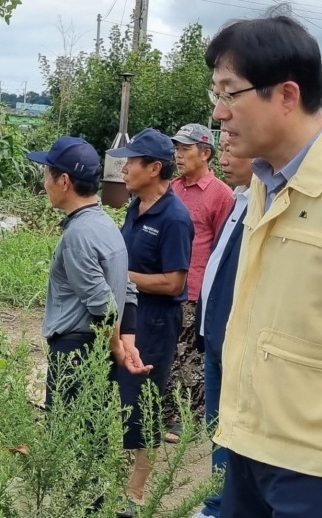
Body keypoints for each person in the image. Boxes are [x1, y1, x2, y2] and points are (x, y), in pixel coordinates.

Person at [206, 16, 322, 517]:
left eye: (230, 93)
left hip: (309, 466)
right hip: (247, 442)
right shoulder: (263, 182)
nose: (218, 112)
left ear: (288, 95)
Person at [106, 128, 194, 515]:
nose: (123, 169)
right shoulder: (134, 206)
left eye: (131, 162)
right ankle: (116, 482)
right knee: (120, 399)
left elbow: (175, 281)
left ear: (154, 168)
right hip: (129, 316)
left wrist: (121, 275)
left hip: (156, 322)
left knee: (142, 404)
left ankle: (136, 494)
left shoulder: (174, 218)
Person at [28, 136, 151, 410]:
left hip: (77, 351)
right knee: (90, 439)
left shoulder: (79, 234)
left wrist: (118, 348)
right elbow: (127, 288)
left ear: (64, 181)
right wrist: (125, 341)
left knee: (69, 442)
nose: (44, 183)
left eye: (47, 174)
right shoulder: (105, 223)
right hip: (97, 348)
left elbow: (104, 306)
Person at [189, 132, 252, 518]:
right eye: (223, 147)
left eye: (233, 148)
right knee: (217, 429)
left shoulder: (255, 206)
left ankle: (220, 506)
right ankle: (217, 502)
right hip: (214, 338)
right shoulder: (238, 202)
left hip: (232, 341)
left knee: (232, 431)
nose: (225, 155)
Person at [164, 124, 234, 443]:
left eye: (185, 149)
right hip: (166, 285)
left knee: (190, 357)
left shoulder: (221, 194)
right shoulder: (171, 188)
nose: (178, 155)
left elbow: (224, 246)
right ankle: (165, 413)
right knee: (166, 352)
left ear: (205, 153)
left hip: (195, 290)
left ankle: (188, 420)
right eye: (176, 148)